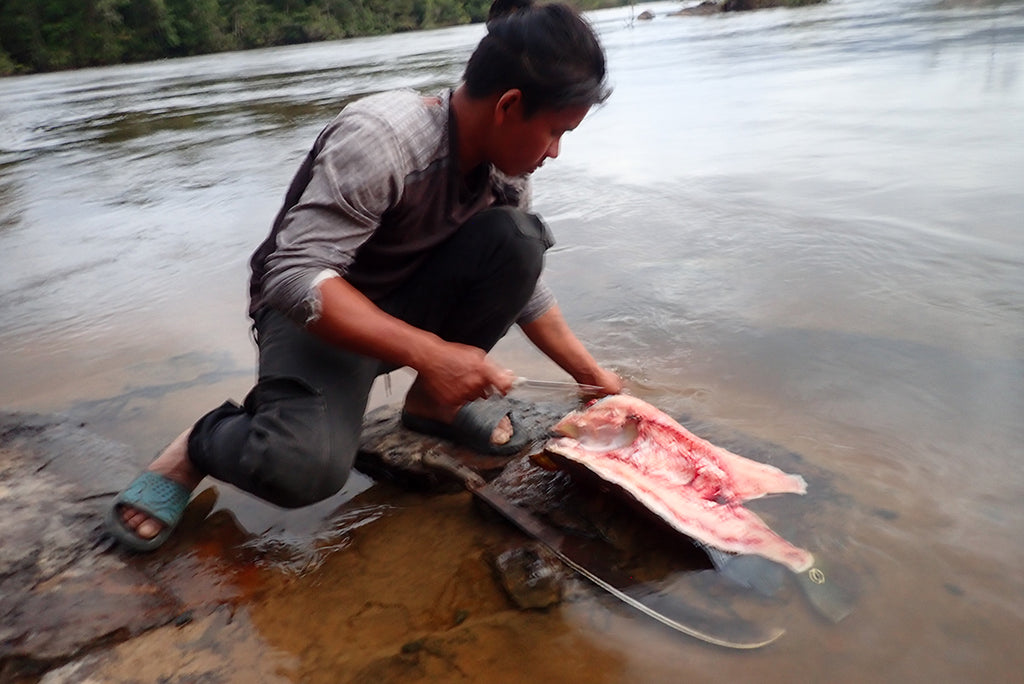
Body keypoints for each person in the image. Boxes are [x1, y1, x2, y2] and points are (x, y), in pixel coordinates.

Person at [106, 0, 622, 552]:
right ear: (509, 105)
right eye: (553, 132)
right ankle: (201, 443)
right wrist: (433, 352)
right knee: (302, 472)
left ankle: (433, 406)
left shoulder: (505, 170)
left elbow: (520, 283)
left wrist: (595, 382)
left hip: (401, 308)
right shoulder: (382, 139)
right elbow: (293, 277)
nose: (556, 152)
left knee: (519, 238)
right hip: (312, 319)